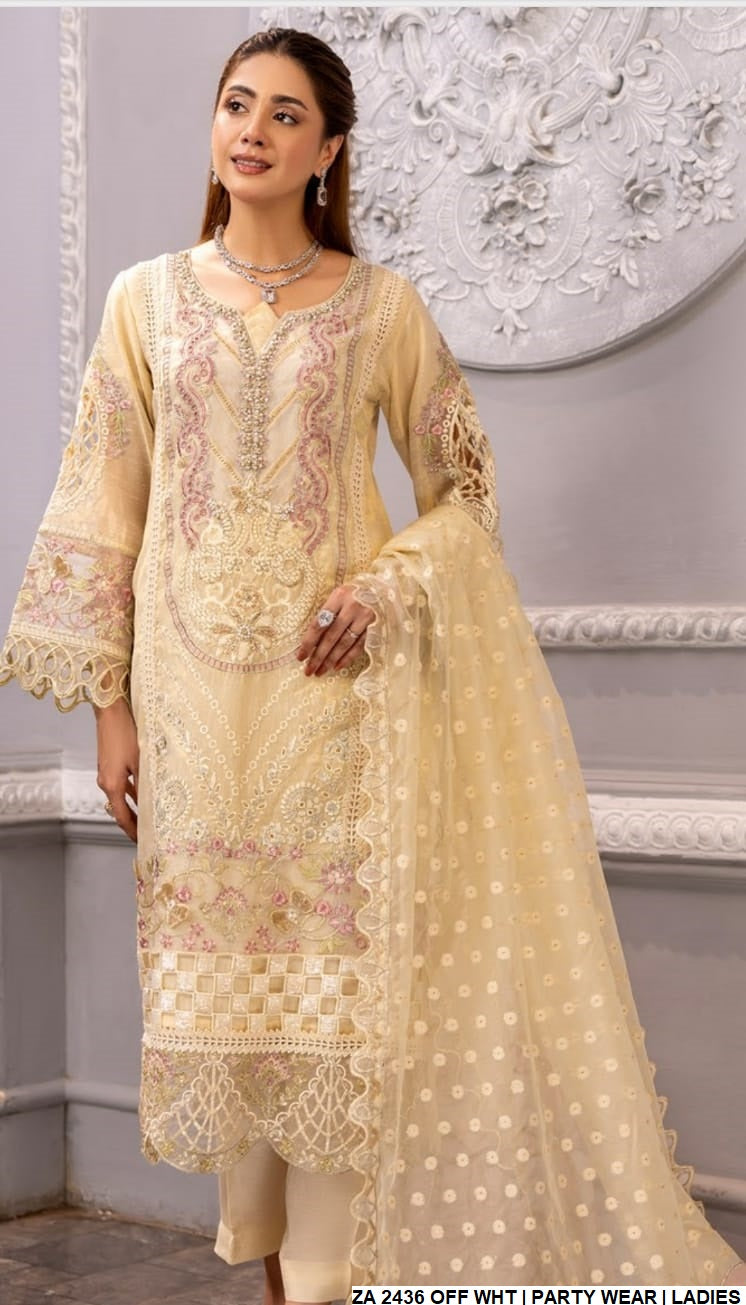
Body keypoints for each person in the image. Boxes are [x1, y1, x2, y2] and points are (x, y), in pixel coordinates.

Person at [1, 25, 744, 1304]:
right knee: (226, 1014)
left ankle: (332, 1284)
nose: (252, 130)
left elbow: (464, 490)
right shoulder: (144, 302)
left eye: (285, 114)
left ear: (328, 149)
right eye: (236, 104)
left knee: (332, 1012)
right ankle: (272, 1275)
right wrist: (111, 712)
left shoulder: (379, 308)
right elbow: (101, 504)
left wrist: (385, 584)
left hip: (332, 706)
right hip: (190, 713)